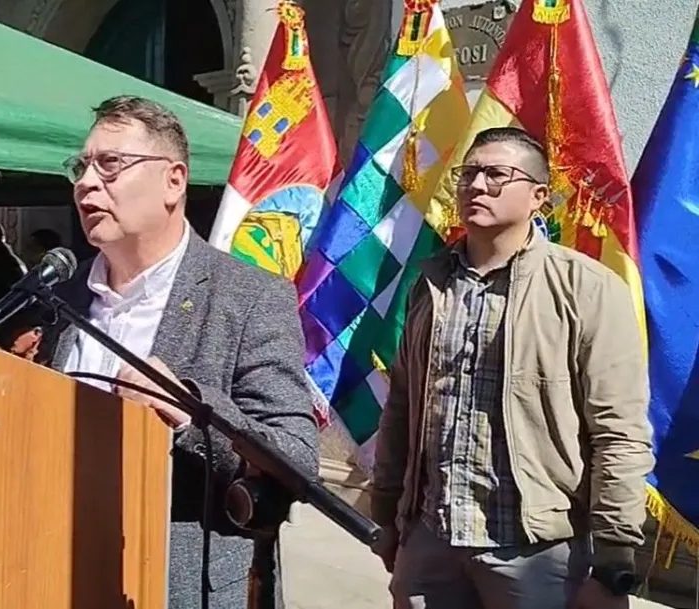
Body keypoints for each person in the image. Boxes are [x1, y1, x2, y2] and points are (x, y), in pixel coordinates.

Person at [32, 95, 318, 609]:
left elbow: (296, 457)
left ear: (174, 180)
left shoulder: (249, 297)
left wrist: (189, 411)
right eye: (81, 166)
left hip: (178, 585)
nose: (86, 183)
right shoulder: (62, 294)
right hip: (54, 568)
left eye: (110, 164)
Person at [371, 127, 652, 609]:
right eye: (469, 174)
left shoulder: (586, 288)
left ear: (538, 197)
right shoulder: (432, 282)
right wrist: (388, 511)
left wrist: (614, 555)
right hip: (432, 540)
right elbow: (402, 406)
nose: (477, 186)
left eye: (497, 175)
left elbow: (619, 429)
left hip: (535, 552)